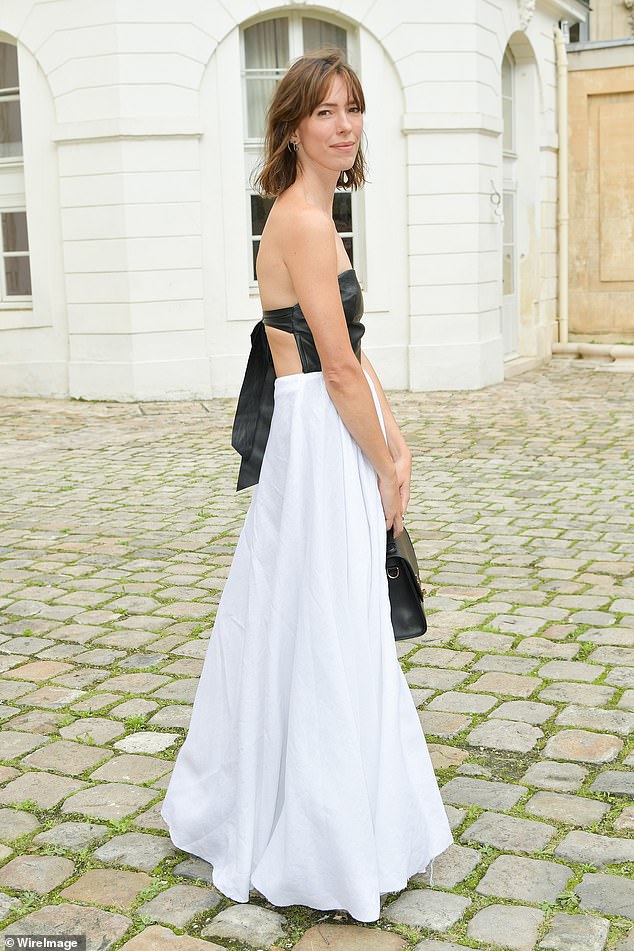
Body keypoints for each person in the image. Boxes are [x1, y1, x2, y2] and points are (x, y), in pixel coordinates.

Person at [161, 47, 453, 924]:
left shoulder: (316, 216)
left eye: (353, 109)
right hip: (319, 438)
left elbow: (355, 349)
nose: (344, 125)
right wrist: (377, 463)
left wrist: (396, 444)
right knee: (327, 622)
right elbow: (332, 370)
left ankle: (316, 806)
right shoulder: (303, 221)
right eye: (325, 111)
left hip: (328, 428)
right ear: (292, 125)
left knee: (310, 614)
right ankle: (320, 840)